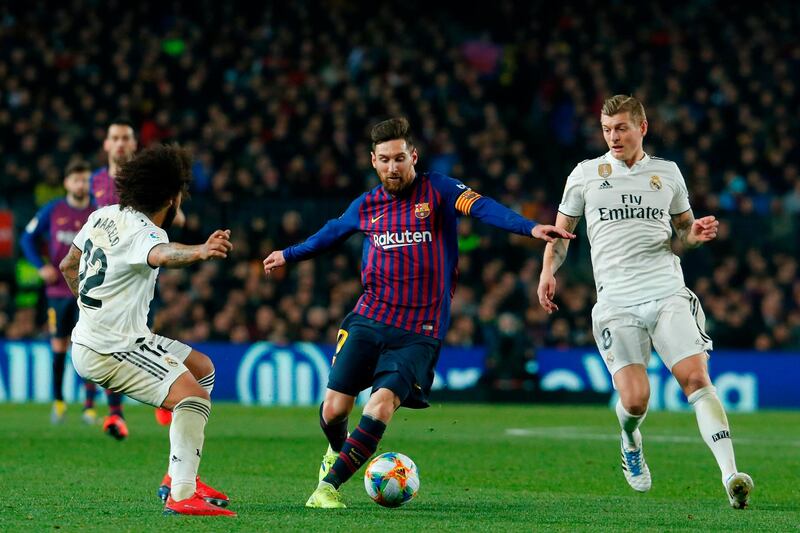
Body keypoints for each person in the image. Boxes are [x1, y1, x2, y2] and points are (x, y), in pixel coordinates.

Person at [262, 117, 574, 508]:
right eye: (384, 160)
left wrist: (529, 228)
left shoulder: (439, 190)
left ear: (413, 156)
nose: (393, 167)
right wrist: (288, 254)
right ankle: (336, 452)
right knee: (334, 408)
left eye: (399, 158)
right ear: (373, 161)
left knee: (380, 405)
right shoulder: (367, 205)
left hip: (418, 330)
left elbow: (482, 208)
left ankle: (328, 487)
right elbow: (330, 233)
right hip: (369, 317)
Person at [537, 95, 753, 508]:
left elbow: (683, 234)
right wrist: (548, 272)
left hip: (666, 290)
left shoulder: (667, 174)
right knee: (635, 400)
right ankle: (630, 438)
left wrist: (695, 234)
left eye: (621, 128)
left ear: (642, 127)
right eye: (606, 129)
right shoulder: (585, 174)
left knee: (696, 380)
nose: (613, 136)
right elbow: (561, 235)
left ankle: (731, 476)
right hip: (616, 302)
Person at [59, 144, 235, 516]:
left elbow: (67, 265)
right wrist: (202, 250)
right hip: (112, 347)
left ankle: (178, 476)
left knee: (202, 369)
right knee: (193, 399)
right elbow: (163, 255)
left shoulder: (102, 214)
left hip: (102, 337)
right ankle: (182, 494)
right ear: (171, 199)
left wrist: (90, 311)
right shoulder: (146, 232)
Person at [91, 118, 182, 430]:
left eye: (125, 138)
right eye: (114, 137)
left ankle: (161, 392)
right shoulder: (95, 183)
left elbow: (176, 217)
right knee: (108, 337)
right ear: (106, 144)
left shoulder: (149, 182)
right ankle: (115, 411)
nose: (119, 143)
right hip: (107, 273)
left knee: (144, 331)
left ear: (133, 144)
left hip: (140, 267)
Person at [20, 160, 99, 424]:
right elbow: (26, 238)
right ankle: (59, 401)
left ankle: (89, 406)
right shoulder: (53, 210)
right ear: (67, 183)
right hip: (57, 292)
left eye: (86, 180)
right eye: (77, 180)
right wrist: (41, 267)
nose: (82, 185)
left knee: (87, 345)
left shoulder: (97, 212)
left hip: (87, 291)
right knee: (59, 345)